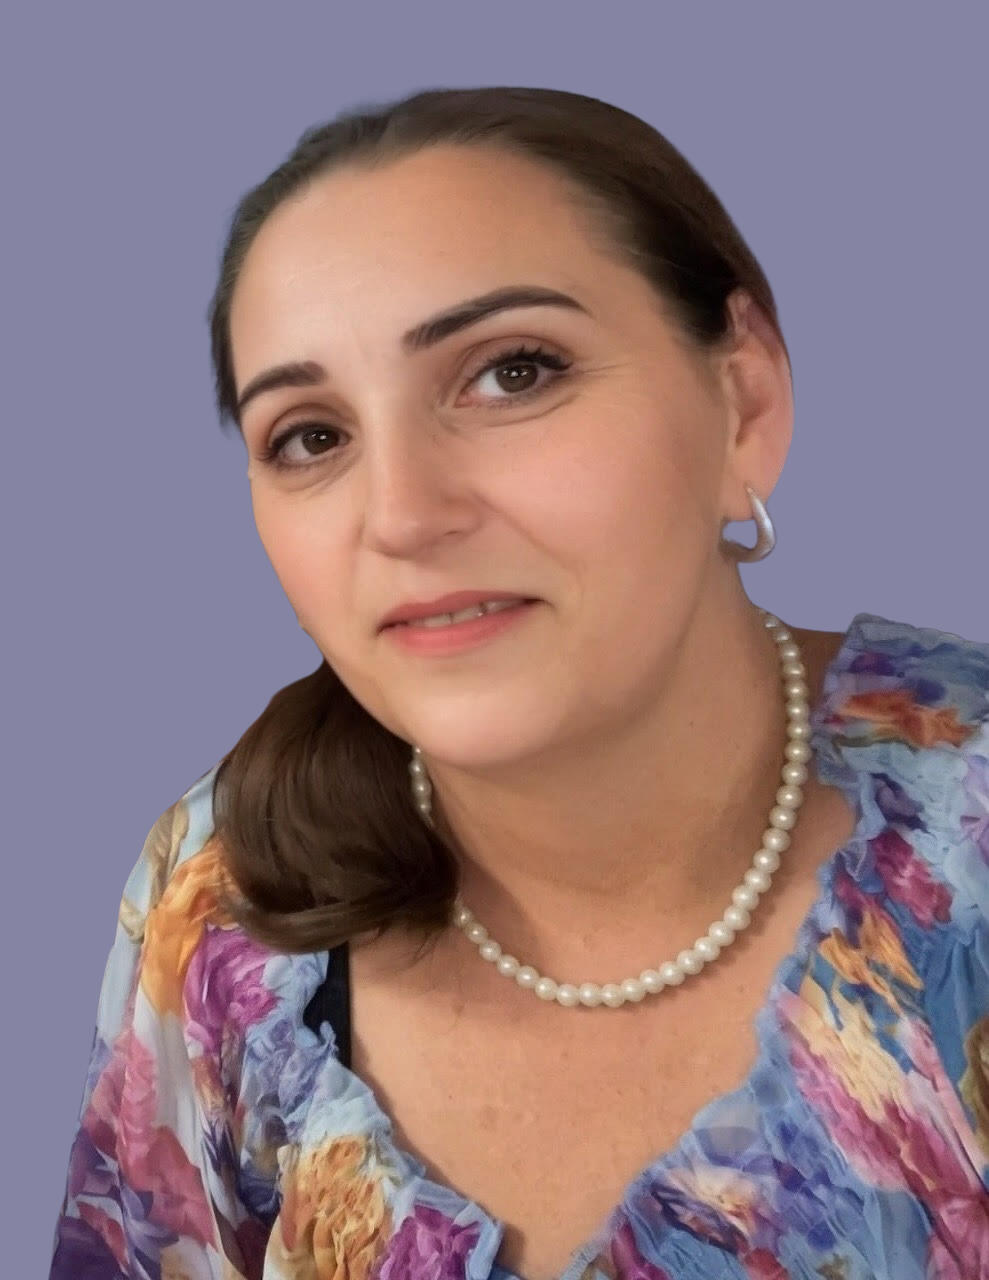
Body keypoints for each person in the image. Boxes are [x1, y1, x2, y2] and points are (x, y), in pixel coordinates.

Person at [48, 85, 988, 1280]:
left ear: (742, 399)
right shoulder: (218, 896)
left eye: (512, 373)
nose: (402, 514)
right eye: (311, 435)